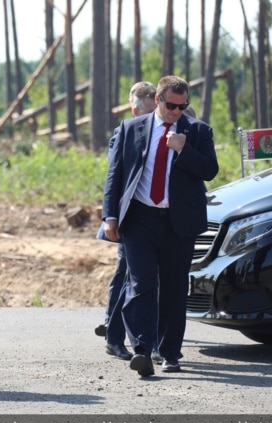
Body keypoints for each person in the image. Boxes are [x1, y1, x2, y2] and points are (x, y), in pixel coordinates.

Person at [102, 75, 218, 377]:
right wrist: (109, 216)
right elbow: (116, 175)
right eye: (171, 105)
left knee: (173, 289)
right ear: (158, 100)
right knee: (141, 285)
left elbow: (210, 170)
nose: (177, 111)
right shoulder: (131, 128)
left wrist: (184, 149)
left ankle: (169, 353)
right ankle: (142, 349)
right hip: (140, 220)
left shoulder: (198, 132)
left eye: (183, 106)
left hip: (177, 223)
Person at [95, 82, 157, 362]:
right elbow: (117, 176)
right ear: (135, 109)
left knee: (131, 278)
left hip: (151, 219)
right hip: (128, 220)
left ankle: (123, 334)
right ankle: (117, 335)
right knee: (129, 278)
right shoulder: (124, 132)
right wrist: (112, 218)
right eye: (151, 110)